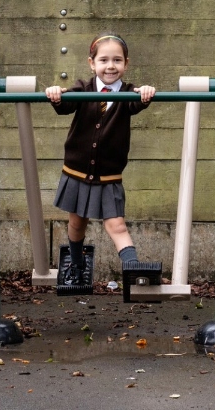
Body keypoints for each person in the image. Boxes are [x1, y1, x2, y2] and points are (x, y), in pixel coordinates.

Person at [45, 33, 156, 285]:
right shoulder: (82, 89)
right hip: (76, 171)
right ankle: (76, 263)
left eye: (117, 60)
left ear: (126, 64)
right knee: (76, 222)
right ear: (91, 63)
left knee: (116, 225)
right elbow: (63, 105)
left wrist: (146, 93)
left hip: (109, 175)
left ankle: (133, 270)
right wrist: (55, 93)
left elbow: (138, 103)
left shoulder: (128, 93)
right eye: (103, 60)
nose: (110, 66)